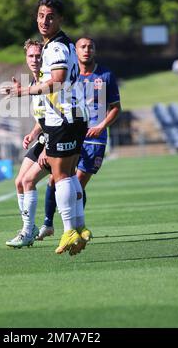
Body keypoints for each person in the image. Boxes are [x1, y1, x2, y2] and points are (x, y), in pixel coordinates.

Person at [0, 0, 89, 255]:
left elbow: (58, 80)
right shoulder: (60, 44)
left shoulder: (57, 47)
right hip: (70, 117)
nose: (44, 21)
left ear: (59, 19)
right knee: (68, 175)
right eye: (40, 15)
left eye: (50, 16)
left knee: (60, 177)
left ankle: (69, 230)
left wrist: (25, 90)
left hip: (64, 119)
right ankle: (79, 228)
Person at [37, 36, 121, 241]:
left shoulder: (106, 75)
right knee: (57, 179)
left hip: (94, 139)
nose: (86, 50)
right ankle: (49, 223)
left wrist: (101, 126)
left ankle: (76, 228)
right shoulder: (70, 76)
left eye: (90, 47)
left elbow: (116, 108)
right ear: (76, 51)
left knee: (77, 184)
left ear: (95, 51)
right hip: (71, 131)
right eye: (82, 47)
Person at [5, 39, 51, 248]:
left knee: (28, 182)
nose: (35, 59)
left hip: (57, 139)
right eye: (31, 56)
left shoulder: (49, 80)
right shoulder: (34, 82)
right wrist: (32, 133)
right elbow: (42, 119)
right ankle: (29, 228)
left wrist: (49, 145)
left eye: (38, 55)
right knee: (18, 182)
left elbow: (59, 115)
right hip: (43, 138)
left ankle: (28, 231)